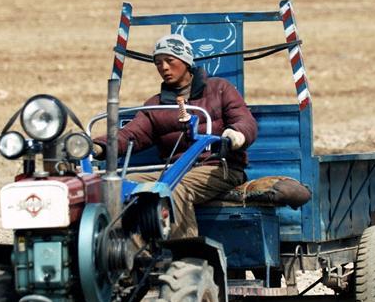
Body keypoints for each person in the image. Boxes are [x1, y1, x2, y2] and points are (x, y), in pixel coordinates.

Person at [93, 34, 258, 239]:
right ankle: (129, 256)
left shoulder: (219, 89)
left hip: (219, 167)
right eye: (158, 63)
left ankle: (186, 256)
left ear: (186, 61)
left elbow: (245, 121)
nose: (164, 68)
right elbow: (131, 134)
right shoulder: (156, 105)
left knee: (174, 188)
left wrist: (235, 135)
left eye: (170, 61)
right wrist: (98, 147)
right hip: (174, 171)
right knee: (121, 185)